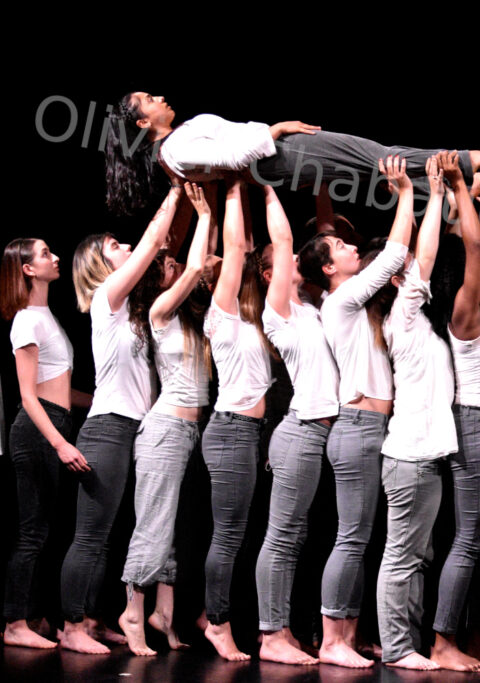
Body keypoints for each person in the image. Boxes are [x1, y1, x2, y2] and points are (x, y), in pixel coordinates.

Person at [300, 155, 414, 669]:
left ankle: (347, 633)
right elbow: (392, 256)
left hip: (373, 428)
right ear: (328, 268)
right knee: (351, 536)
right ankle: (330, 639)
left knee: (361, 536)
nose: (351, 248)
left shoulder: (352, 304)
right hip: (358, 429)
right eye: (342, 247)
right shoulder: (340, 302)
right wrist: (406, 194)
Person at [61, 186, 183, 655]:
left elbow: (164, 249)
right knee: (90, 534)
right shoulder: (106, 297)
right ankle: (72, 626)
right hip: (110, 427)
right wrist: (174, 190)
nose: (126, 247)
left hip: (139, 427)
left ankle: (92, 618)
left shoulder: (131, 307)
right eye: (115, 246)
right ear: (99, 264)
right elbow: (153, 242)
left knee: (116, 533)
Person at [103, 92, 480, 216]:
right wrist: (275, 129)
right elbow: (230, 161)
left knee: (377, 180)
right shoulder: (174, 148)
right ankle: (465, 161)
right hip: (281, 155)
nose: (159, 97)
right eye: (148, 100)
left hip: (280, 163)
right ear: (142, 123)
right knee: (376, 157)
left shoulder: (173, 152)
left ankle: (457, 198)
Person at [119, 183, 215, 656]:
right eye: (168, 266)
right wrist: (202, 214)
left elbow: (207, 265)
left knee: (174, 526)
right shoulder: (158, 311)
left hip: (188, 431)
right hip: (164, 430)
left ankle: (164, 615)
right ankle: (132, 614)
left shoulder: (189, 319)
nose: (177, 267)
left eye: (175, 263)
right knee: (153, 524)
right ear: (157, 278)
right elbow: (198, 264)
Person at [373, 154, 458, 670]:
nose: (413, 273)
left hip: (424, 455)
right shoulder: (402, 319)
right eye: (404, 273)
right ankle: (399, 647)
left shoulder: (418, 322)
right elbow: (421, 258)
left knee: (417, 558)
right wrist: (434, 196)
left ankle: (409, 644)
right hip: (408, 457)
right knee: (402, 556)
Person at [427, 153, 480, 672]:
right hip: (476, 422)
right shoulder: (463, 312)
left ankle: (457, 634)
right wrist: (459, 185)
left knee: (473, 537)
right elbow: (477, 246)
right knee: (468, 537)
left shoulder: (479, 311)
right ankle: (441, 641)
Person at [254, 183, 340, 666]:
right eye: (279, 260)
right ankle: (271, 634)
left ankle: (292, 628)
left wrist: (323, 190)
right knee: (282, 536)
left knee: (300, 538)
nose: (289, 262)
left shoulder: (312, 306)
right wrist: (268, 184)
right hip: (302, 431)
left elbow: (322, 238)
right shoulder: (279, 312)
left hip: (325, 433)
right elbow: (286, 243)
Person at [2, 239, 89, 649]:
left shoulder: (45, 317)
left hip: (56, 422)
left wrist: (99, 401)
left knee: (48, 532)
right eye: (44, 254)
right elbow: (28, 396)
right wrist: (59, 444)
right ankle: (15, 624)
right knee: (32, 532)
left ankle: (36, 617)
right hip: (38, 430)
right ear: (27, 270)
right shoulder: (25, 321)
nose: (55, 257)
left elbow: (58, 388)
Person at [200, 178, 272, 661]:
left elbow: (243, 247)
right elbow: (234, 245)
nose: (235, 267)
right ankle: (218, 624)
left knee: (235, 534)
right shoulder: (220, 315)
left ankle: (215, 614)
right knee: (227, 535)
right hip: (230, 431)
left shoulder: (251, 318)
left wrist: (243, 189)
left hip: (246, 433)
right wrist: (231, 186)